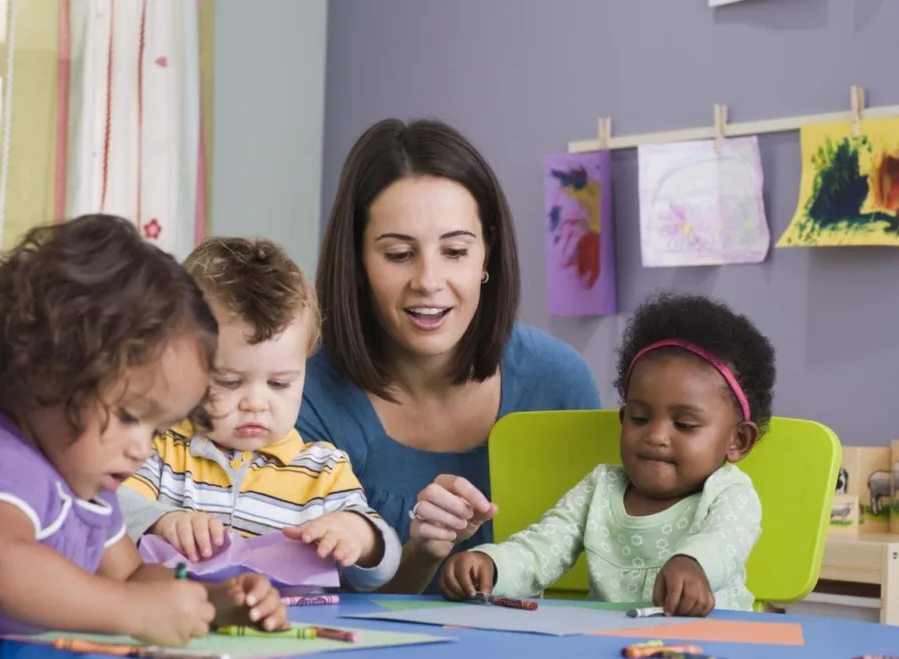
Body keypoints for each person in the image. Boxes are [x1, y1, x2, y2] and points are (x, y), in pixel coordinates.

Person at [0, 216, 287, 659]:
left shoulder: (86, 479)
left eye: (157, 429)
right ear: (48, 369)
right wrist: (133, 612)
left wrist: (215, 603)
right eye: (130, 416)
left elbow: (129, 579)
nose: (140, 448)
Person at [298, 118, 601, 594]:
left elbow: (598, 576)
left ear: (487, 255)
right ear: (357, 262)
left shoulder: (559, 382)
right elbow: (313, 604)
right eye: (399, 255)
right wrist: (423, 551)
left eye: (455, 251)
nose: (429, 281)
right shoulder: (299, 393)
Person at [438, 293, 776, 616]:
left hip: (711, 644)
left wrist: (694, 564)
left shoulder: (730, 493)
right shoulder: (600, 488)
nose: (656, 436)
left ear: (738, 440)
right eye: (640, 418)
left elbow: (723, 540)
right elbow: (543, 547)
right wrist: (492, 566)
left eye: (684, 424)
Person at [121, 237, 400, 593]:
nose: (256, 403)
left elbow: (385, 561)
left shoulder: (323, 471)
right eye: (229, 381)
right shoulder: (162, 446)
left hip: (288, 638)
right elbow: (106, 510)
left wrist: (357, 535)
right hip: (182, 629)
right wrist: (162, 520)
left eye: (280, 383)